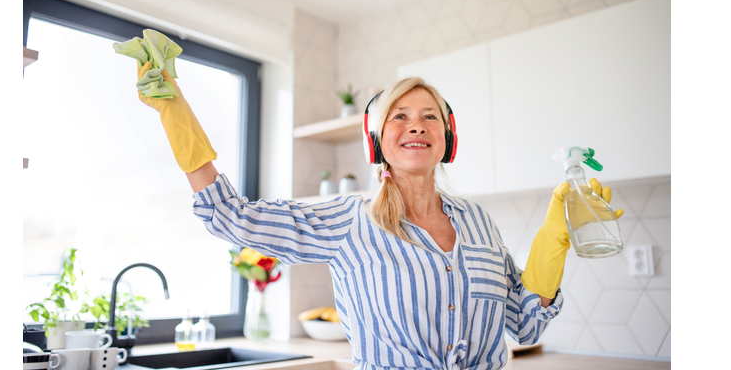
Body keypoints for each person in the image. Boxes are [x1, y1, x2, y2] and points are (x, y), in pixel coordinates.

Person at [130, 46, 623, 370]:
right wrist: (177, 113)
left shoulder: (477, 221)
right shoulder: (350, 219)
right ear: (378, 141)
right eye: (400, 117)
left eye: (429, 116)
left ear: (447, 139)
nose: (416, 125)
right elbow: (232, 217)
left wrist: (555, 238)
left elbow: (525, 321)